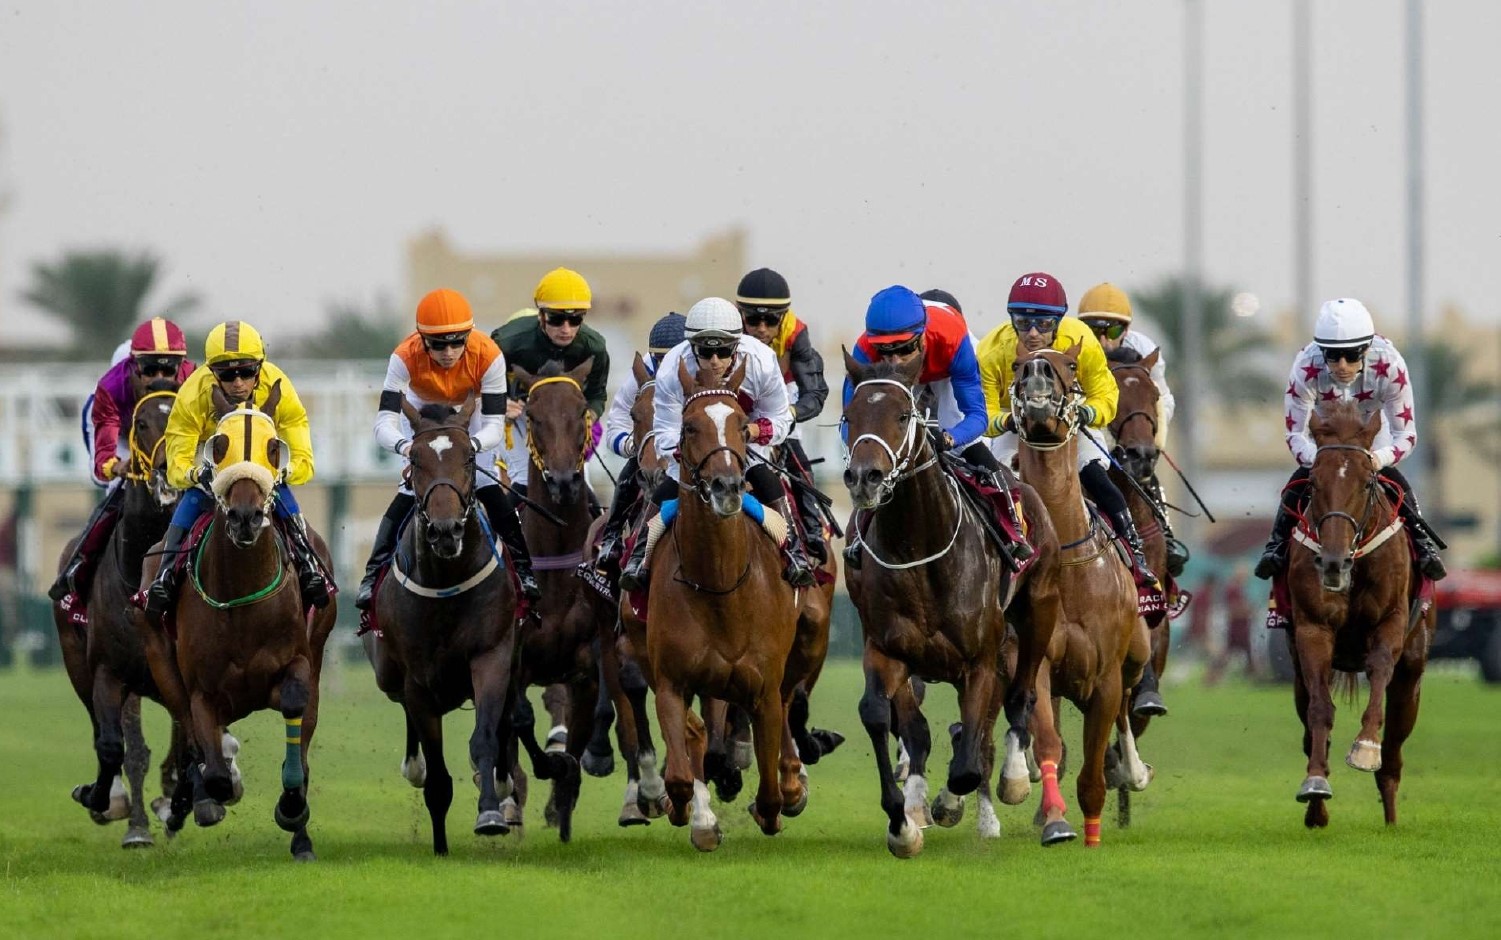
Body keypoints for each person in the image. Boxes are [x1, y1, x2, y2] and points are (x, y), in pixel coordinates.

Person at [354, 288, 539, 608]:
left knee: (486, 483)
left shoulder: (489, 354)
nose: (449, 352)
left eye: (457, 341)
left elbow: (495, 426)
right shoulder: (403, 356)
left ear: (470, 334)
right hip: (424, 406)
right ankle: (373, 573)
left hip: (473, 409)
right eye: (439, 344)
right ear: (421, 339)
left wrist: (467, 447)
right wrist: (408, 447)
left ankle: (524, 570)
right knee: (409, 489)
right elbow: (383, 424)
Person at [618, 297, 814, 590]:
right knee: (664, 490)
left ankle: (794, 550)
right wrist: (699, 453)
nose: (714, 360)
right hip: (696, 451)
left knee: (767, 480)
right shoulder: (673, 365)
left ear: (737, 344)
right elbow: (666, 429)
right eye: (706, 351)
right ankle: (638, 554)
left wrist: (751, 431)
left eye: (723, 351)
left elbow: (781, 419)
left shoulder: (761, 360)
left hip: (747, 442)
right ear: (691, 347)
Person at [977, 273, 1160, 580]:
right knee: (996, 483)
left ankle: (1135, 555)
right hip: (1017, 428)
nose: (1033, 333)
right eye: (1022, 323)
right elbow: (985, 412)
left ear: (1060, 320)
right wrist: (1009, 420)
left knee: (1101, 482)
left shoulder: (1081, 340)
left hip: (1070, 423)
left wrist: (1088, 413)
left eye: (1044, 324)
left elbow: (1106, 394)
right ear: (1011, 319)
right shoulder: (991, 350)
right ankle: (993, 560)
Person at [143, 321, 330, 618]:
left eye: (246, 372)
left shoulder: (277, 384)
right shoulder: (193, 394)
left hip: (259, 471)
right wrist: (196, 475)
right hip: (212, 469)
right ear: (212, 372)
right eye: (228, 374)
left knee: (283, 497)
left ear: (260, 366)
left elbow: (301, 451)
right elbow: (177, 460)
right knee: (191, 502)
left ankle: (308, 564)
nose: (239, 383)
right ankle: (165, 575)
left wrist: (287, 470)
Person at [1254, 297, 1446, 581]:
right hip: (1326, 441)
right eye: (1332, 356)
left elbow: (1405, 435)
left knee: (1396, 482)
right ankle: (1276, 545)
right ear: (1321, 352)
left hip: (1371, 438)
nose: (1342, 365)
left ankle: (1423, 544)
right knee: (1296, 482)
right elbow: (1295, 434)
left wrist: (1376, 459)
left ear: (1367, 348)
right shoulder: (1305, 365)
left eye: (1352, 354)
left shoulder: (1390, 364)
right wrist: (1321, 458)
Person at [843, 285, 1034, 568]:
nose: (895, 361)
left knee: (964, 440)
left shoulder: (954, 339)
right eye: (885, 352)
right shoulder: (863, 350)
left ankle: (1011, 529)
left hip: (945, 369)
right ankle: (860, 533)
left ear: (921, 338)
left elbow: (977, 418)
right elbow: (849, 423)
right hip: (896, 384)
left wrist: (949, 438)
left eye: (904, 349)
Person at [48, 318, 196, 601]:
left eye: (168, 368)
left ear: (182, 366)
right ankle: (78, 568)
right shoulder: (112, 387)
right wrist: (119, 466)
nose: (159, 377)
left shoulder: (194, 380)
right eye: (150, 369)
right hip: (123, 440)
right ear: (134, 365)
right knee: (119, 492)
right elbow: (103, 463)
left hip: (168, 438)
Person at [1076, 282, 1190, 577]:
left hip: (1130, 426)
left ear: (1125, 330)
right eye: (1093, 330)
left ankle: (1165, 533)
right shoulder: (1071, 347)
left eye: (1112, 331)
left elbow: (1162, 399)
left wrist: (1149, 440)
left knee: (1144, 469)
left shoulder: (1145, 348)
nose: (1102, 340)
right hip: (1088, 426)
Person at [736, 267, 830, 563]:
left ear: (784, 317)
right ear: (740, 315)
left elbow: (814, 395)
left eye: (771, 320)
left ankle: (813, 532)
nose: (761, 328)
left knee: (799, 462)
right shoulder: (728, 331)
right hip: (738, 402)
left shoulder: (796, 333)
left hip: (782, 399)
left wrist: (785, 416)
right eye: (753, 319)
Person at [490, 268, 611, 496]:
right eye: (556, 319)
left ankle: (606, 530)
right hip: (520, 417)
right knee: (524, 478)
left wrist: (585, 419)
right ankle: (505, 531)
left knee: (582, 482)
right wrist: (499, 404)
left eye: (575, 319)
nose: (566, 329)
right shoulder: (506, 342)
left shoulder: (594, 346)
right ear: (541, 316)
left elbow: (597, 396)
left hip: (566, 421)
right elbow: (479, 386)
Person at [594, 311, 686, 572]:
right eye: (661, 360)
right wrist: (633, 446)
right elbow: (616, 424)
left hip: (691, 452)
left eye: (675, 360)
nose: (667, 368)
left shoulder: (706, 371)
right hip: (653, 452)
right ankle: (612, 538)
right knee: (630, 470)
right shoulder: (642, 373)